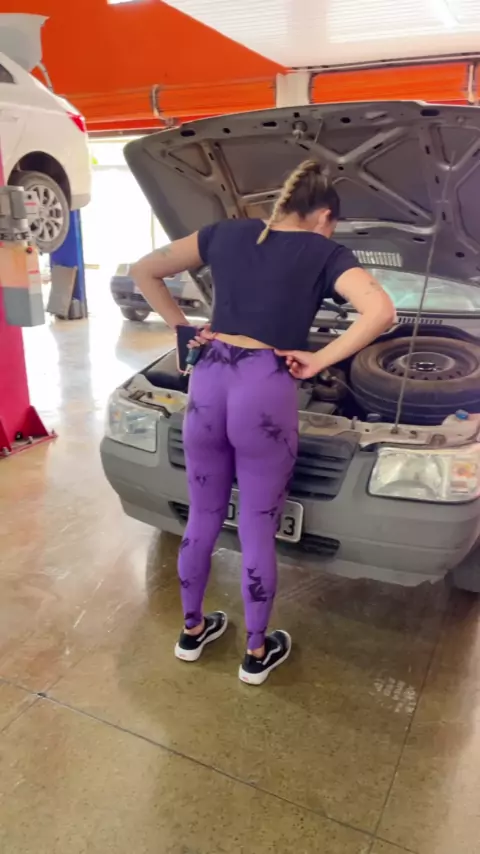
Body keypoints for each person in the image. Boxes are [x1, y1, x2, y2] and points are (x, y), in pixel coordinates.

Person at [131, 160, 395, 686]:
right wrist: (319, 360)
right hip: (264, 390)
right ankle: (255, 651)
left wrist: (183, 330)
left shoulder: (226, 234)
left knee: (202, 515)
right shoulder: (324, 252)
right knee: (256, 524)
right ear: (325, 216)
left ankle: (192, 631)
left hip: (209, 381)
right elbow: (382, 312)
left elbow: (144, 270)